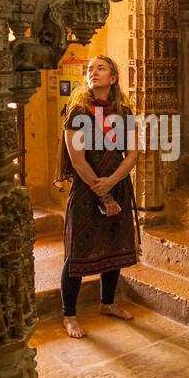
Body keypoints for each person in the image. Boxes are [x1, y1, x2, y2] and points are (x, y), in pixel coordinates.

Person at [58, 55, 140, 338]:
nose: (93, 72)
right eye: (90, 69)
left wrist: (112, 183)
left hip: (117, 186)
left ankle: (107, 303)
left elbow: (132, 155)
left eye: (100, 68)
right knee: (78, 251)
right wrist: (100, 189)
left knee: (113, 246)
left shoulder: (124, 114)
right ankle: (69, 315)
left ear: (113, 78)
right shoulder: (78, 113)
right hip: (86, 188)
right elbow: (77, 160)